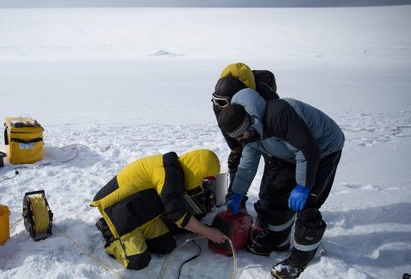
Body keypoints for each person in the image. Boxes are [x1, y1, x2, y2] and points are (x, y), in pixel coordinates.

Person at [217, 88, 344, 279]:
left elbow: (307, 150)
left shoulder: (278, 115)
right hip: (291, 152)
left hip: (322, 149)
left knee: (307, 203)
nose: (241, 140)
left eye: (241, 136)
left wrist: (303, 186)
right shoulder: (250, 132)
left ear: (249, 123)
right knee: (276, 191)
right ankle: (278, 237)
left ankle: (301, 258)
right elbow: (247, 166)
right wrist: (237, 194)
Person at [90, 149, 227, 270]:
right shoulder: (168, 174)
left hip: (142, 212)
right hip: (117, 210)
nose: (207, 181)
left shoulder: (176, 171)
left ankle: (138, 234)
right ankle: (107, 227)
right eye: (206, 177)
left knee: (166, 246)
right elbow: (177, 214)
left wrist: (197, 228)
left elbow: (176, 206)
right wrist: (208, 232)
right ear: (198, 171)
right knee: (138, 261)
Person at [211, 63, 281, 231]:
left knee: (273, 166)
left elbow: (273, 125)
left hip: (263, 131)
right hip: (240, 127)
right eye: (218, 102)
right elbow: (225, 126)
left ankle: (266, 208)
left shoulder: (265, 97)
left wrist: (270, 150)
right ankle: (235, 200)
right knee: (239, 160)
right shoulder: (219, 104)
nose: (221, 106)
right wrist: (235, 147)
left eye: (225, 103)